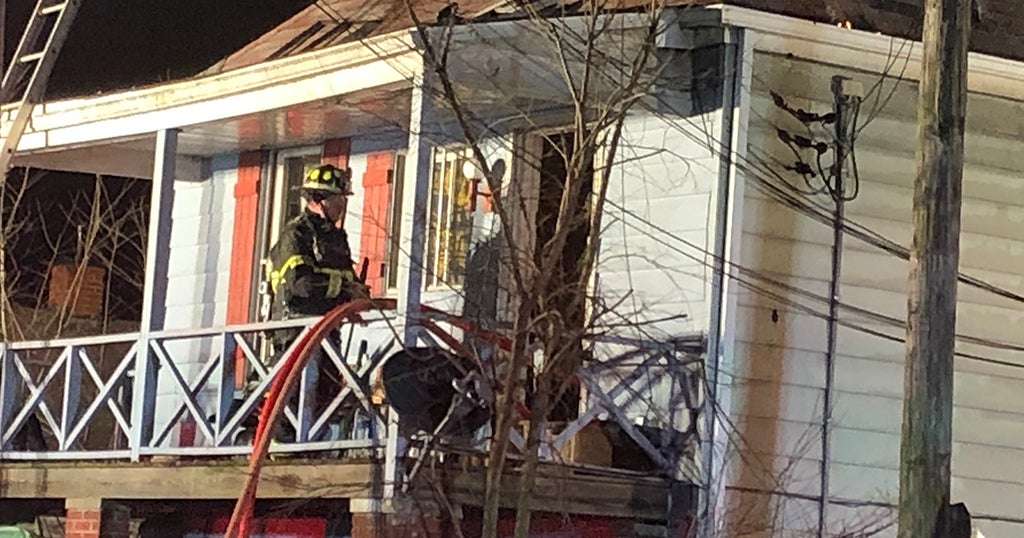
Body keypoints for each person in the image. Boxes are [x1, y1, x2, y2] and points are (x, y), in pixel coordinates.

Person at [260, 163, 369, 440]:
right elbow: (301, 285)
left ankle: (311, 448)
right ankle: (281, 451)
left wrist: (357, 295)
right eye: (338, 199)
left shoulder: (336, 238)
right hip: (295, 329)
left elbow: (347, 278)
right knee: (292, 395)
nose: (342, 204)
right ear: (320, 200)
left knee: (325, 393)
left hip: (327, 331)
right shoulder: (296, 235)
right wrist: (346, 291)